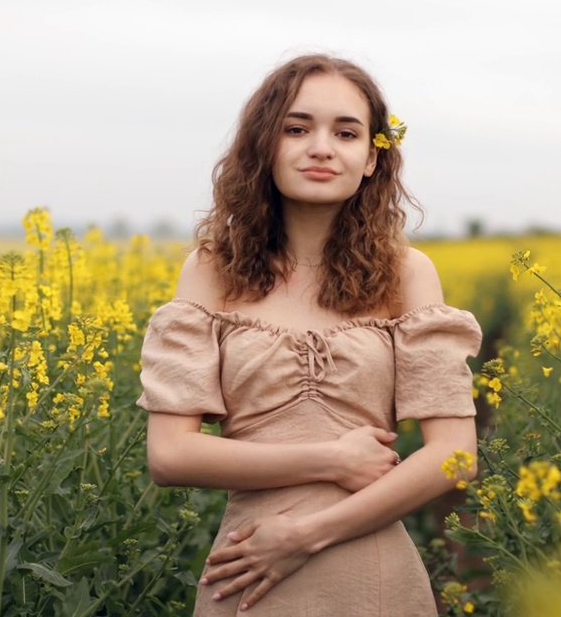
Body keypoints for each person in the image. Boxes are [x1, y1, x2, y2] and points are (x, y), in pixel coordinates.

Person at [137, 53, 481, 615]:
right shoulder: (211, 270)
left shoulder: (406, 273)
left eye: (346, 133)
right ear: (263, 146)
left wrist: (304, 535)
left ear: (371, 158)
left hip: (372, 579)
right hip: (247, 578)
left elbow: (455, 456)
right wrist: (330, 459)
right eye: (296, 128)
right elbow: (170, 456)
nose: (321, 147)